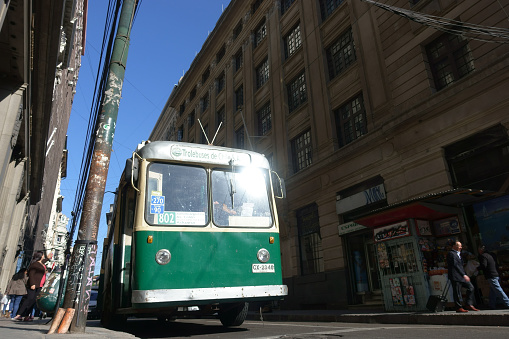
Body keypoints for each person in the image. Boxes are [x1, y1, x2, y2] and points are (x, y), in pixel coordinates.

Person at [12, 251, 52, 321]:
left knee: (33, 300)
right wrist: (32, 283)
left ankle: (27, 315)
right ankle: (19, 314)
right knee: (29, 299)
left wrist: (48, 258)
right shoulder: (34, 264)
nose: (43, 256)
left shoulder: (40, 263)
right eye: (43, 255)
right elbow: (31, 274)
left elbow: (43, 262)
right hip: (34, 284)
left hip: (40, 285)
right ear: (40, 256)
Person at [447, 241, 479, 313]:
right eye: (459, 246)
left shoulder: (459, 254)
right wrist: (463, 274)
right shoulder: (451, 254)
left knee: (471, 287)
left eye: (461, 246)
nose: (461, 247)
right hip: (455, 276)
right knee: (457, 292)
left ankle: (468, 303)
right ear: (454, 246)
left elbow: (460, 266)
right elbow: (456, 265)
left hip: (461, 276)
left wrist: (464, 274)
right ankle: (458, 307)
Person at [477, 244, 509, 309]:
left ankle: (508, 303)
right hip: (496, 274)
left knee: (498, 290)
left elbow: (484, 265)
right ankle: (491, 304)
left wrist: (477, 268)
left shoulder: (483, 256)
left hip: (491, 275)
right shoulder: (491, 255)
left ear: (481, 250)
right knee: (493, 290)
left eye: (479, 249)